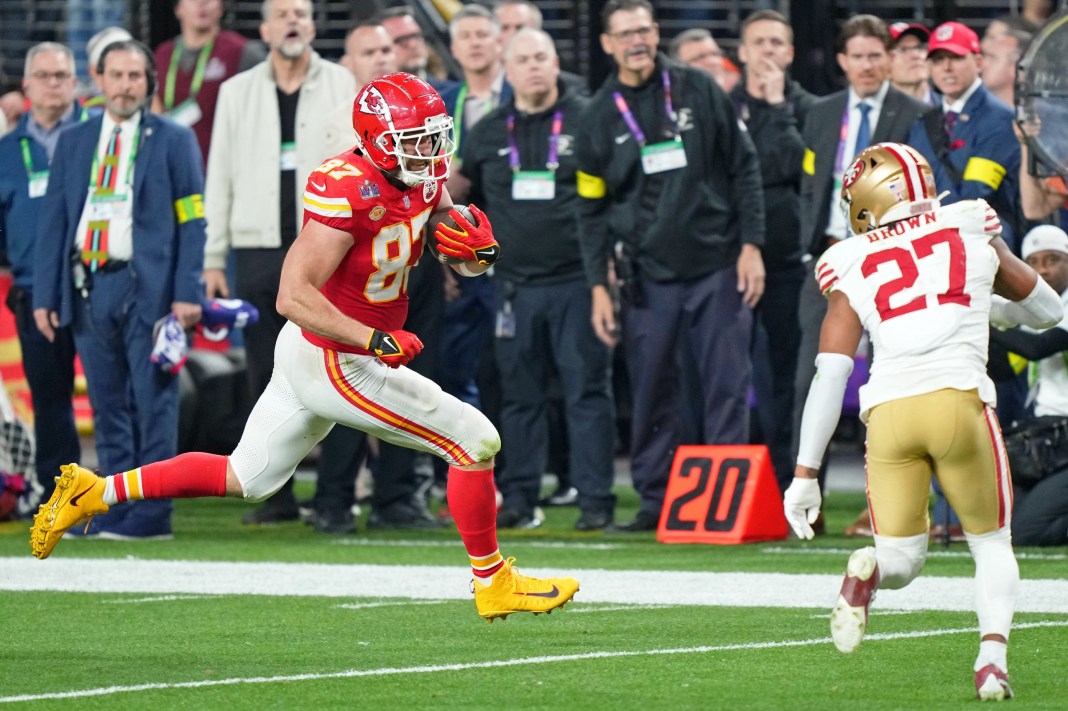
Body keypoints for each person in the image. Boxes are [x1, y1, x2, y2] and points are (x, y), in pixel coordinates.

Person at [29, 72, 581, 624]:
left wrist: (467, 253)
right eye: (416, 139)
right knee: (475, 439)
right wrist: (372, 337)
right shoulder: (347, 187)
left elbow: (425, 232)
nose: (430, 151)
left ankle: (94, 490)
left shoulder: (419, 178)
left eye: (433, 136)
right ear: (379, 138)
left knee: (247, 476)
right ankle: (492, 581)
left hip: (322, 353)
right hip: (335, 355)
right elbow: (293, 296)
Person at [782, 142, 1061, 700]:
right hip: (957, 400)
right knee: (992, 544)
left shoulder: (849, 259)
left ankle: (871, 571)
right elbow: (1049, 310)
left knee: (903, 560)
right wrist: (983, 298)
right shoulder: (967, 223)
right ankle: (990, 660)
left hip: (887, 412)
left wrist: (805, 475)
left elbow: (831, 372)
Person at [576, 0, 765, 532]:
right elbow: (588, 210)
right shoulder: (596, 116)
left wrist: (752, 245)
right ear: (607, 44)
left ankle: (725, 504)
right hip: (646, 274)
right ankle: (656, 501)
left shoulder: (698, 88)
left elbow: (743, 165)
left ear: (656, 33)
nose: (637, 40)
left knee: (726, 384)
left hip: (717, 264)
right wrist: (596, 285)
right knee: (651, 387)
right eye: (625, 33)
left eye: (645, 29)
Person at [32, 39, 207, 540]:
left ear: (148, 82)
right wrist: (46, 295)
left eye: (135, 76)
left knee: (153, 403)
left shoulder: (174, 139)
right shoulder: (75, 139)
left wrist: (187, 290)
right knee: (108, 406)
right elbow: (55, 222)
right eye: (117, 75)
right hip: (90, 286)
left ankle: (152, 515)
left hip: (149, 289)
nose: (126, 85)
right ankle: (112, 509)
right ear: (99, 79)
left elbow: (193, 219)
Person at [202, 0, 355, 525]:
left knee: (339, 370)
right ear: (264, 29)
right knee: (264, 373)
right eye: (283, 14)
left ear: (314, 26)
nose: (293, 21)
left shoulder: (343, 81)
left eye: (303, 13)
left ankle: (335, 497)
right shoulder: (235, 90)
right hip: (257, 244)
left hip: (327, 243)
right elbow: (218, 173)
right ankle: (273, 497)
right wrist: (213, 255)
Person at [461, 28, 615, 531]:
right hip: (513, 286)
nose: (533, 67)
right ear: (507, 70)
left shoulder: (589, 117)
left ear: (556, 64)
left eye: (541, 57)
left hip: (578, 280)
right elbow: (452, 195)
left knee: (586, 391)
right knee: (520, 396)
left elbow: (615, 190)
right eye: (522, 59)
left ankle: (595, 501)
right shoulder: (487, 129)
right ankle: (522, 498)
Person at [794, 15, 931, 507]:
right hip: (830, 256)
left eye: (876, 55)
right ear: (841, 61)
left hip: (893, 260)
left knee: (894, 380)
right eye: (858, 56)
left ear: (889, 59)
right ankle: (807, 492)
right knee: (812, 375)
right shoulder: (820, 112)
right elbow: (811, 182)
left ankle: (889, 502)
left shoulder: (916, 112)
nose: (867, 65)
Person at [730, 9, 816, 493]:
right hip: (731, 264)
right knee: (726, 378)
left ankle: (788, 481)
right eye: (758, 42)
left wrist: (779, 107)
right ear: (741, 53)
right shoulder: (722, 107)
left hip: (790, 264)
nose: (767, 51)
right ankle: (734, 478)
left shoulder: (811, 108)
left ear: (790, 53)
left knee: (786, 378)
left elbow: (802, 169)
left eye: (776, 43)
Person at [0, 43, 85, 502]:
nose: (53, 83)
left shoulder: (97, 136)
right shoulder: (6, 151)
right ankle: (60, 494)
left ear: (75, 84)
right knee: (50, 398)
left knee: (115, 399)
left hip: (95, 285)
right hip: (33, 291)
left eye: (62, 75)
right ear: (26, 86)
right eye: (44, 75)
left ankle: (126, 494)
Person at [907, 21, 1024, 250]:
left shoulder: (1001, 121)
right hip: (930, 241)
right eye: (938, 60)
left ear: (978, 62)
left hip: (983, 245)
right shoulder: (923, 123)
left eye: (957, 58)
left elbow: (973, 197)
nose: (947, 67)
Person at [989, 225, 1068, 548]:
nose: (1043, 270)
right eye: (1033, 263)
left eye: (1053, 259)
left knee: (1027, 532)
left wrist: (981, 313)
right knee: (1005, 529)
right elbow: (1005, 370)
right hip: (1048, 436)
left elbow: (1038, 347)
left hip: (1062, 433)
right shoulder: (1034, 311)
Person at [152, 0, 266, 164]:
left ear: (220, 7)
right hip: (172, 164)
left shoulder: (243, 52)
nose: (201, 3)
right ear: (178, 8)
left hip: (224, 162)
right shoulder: (162, 55)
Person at [375, 6, 451, 86]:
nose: (413, 45)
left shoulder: (455, 94)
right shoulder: (371, 97)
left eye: (416, 35)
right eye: (401, 40)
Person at [82, 27, 133, 110]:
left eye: (133, 74)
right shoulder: (83, 110)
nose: (125, 84)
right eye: (116, 74)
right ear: (94, 72)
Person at [888, 22, 936, 105]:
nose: (916, 55)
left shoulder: (950, 109)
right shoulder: (873, 114)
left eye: (920, 47)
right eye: (903, 49)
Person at [981, 28, 1029, 107]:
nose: (983, 64)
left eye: (992, 58)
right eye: (985, 56)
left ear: (1017, 69)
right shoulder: (966, 109)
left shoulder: (1045, 115)